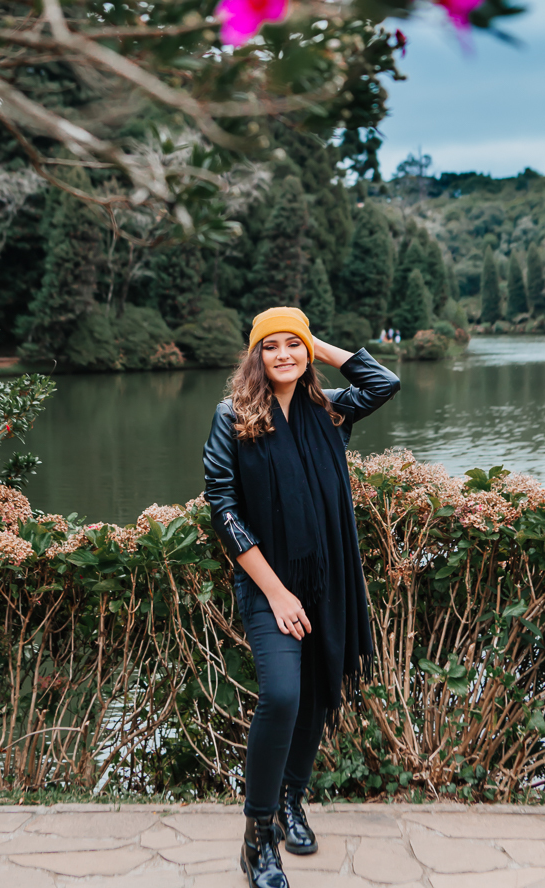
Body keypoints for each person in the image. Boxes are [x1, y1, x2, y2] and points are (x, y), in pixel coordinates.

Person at [203, 306, 400, 888]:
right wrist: (277, 592)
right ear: (255, 356)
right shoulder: (233, 416)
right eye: (271, 346)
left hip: (327, 577)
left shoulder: (329, 409)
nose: (284, 355)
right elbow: (223, 506)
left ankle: (292, 801)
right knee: (283, 695)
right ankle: (258, 834)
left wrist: (320, 344)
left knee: (317, 694)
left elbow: (383, 383)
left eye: (295, 345)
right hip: (270, 584)